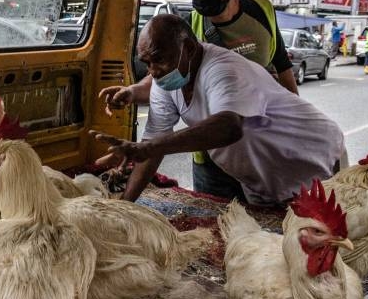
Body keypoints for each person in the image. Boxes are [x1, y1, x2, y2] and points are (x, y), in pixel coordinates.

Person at [100, 0, 299, 198]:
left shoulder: (262, 12)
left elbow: (283, 69)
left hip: (262, 147)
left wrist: (291, 129)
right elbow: (167, 76)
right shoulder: (189, 25)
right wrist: (133, 92)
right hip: (211, 153)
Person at [92, 14, 345, 206]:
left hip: (318, 163)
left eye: (159, 60)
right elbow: (149, 150)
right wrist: (124, 204)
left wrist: (148, 148)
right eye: (146, 63)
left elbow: (228, 126)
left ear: (189, 49)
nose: (153, 72)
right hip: (265, 182)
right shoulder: (164, 82)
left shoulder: (223, 69)